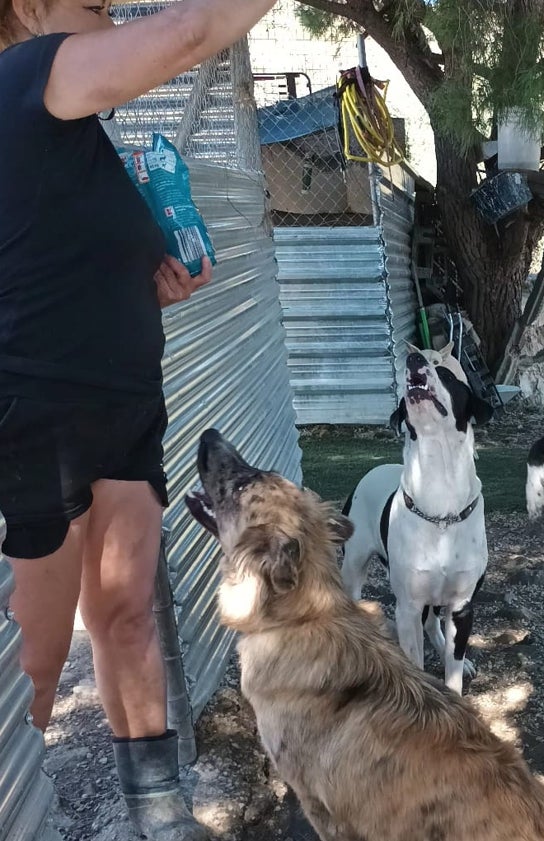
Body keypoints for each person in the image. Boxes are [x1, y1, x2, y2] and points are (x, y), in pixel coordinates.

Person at [0, 1, 279, 837]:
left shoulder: (78, 131)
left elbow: (72, 251)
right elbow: (192, 32)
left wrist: (154, 274)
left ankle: (160, 818)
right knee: (35, 667)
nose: (111, 18)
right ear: (31, 7)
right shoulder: (28, 72)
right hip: (41, 415)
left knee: (126, 616)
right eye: (98, 6)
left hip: (123, 403)